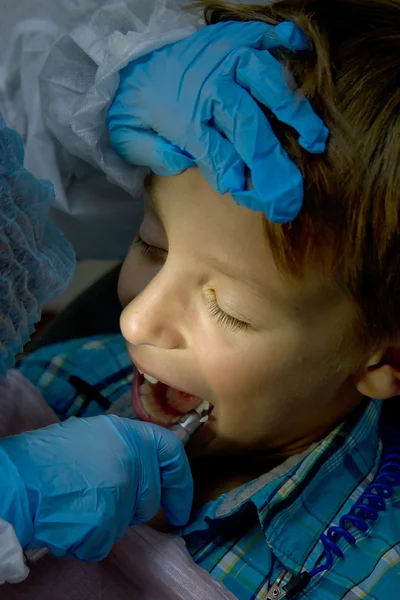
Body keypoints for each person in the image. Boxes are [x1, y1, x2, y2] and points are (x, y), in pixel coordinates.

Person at [18, 0, 400, 598]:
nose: (137, 319)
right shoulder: (53, 383)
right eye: (152, 244)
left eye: (230, 310)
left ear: (387, 358)